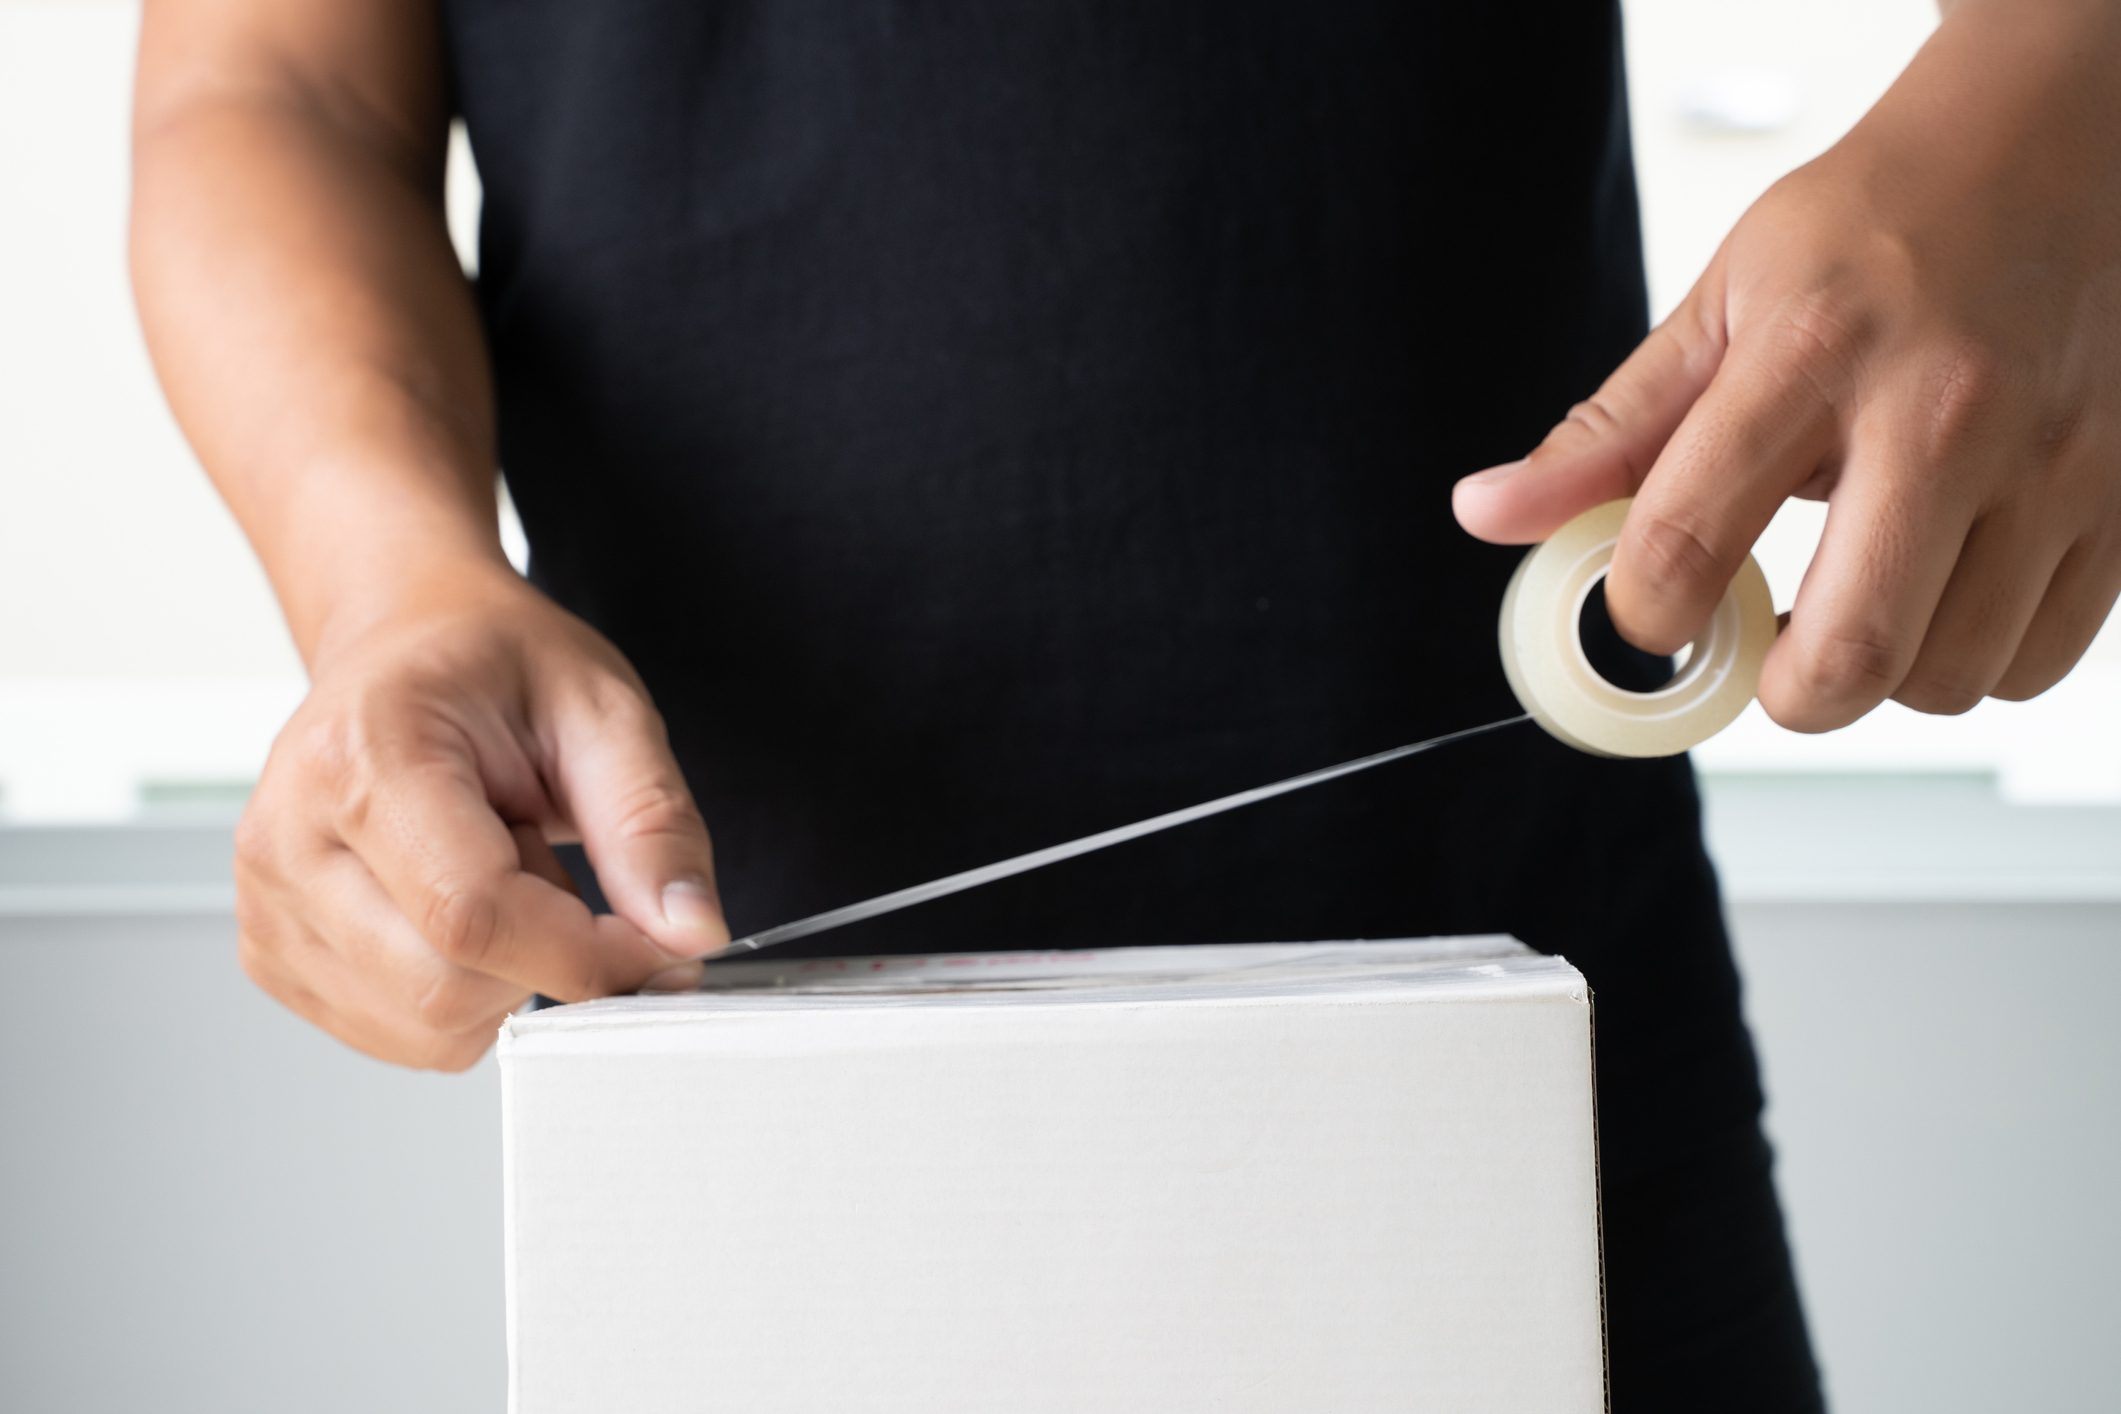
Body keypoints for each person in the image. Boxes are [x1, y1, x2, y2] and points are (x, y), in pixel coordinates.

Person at [130, 1, 2118, 1407]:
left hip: (1520, 1083)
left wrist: (2042, 111)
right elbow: (272, 82)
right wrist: (381, 578)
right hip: (742, 1124)